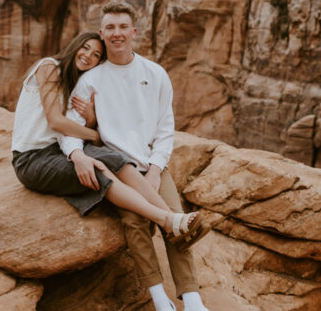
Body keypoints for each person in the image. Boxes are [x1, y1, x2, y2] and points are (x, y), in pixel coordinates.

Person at [61, 0, 234, 311]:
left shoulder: (155, 74)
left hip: (152, 166)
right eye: (109, 28)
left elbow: (166, 127)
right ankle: (163, 307)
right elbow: (70, 127)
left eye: (123, 26)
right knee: (135, 226)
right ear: (103, 33)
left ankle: (194, 305)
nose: (117, 33)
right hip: (117, 169)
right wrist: (76, 154)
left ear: (134, 31)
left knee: (176, 219)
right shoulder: (91, 81)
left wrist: (155, 169)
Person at [11, 30, 204, 238]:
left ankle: (175, 220)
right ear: (75, 46)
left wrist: (91, 119)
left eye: (96, 55)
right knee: (98, 172)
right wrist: (94, 136)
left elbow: (73, 126)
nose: (88, 56)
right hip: (31, 159)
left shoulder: (75, 82)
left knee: (114, 158)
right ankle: (165, 221)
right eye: (85, 48)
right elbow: (55, 121)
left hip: (56, 151)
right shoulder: (49, 67)